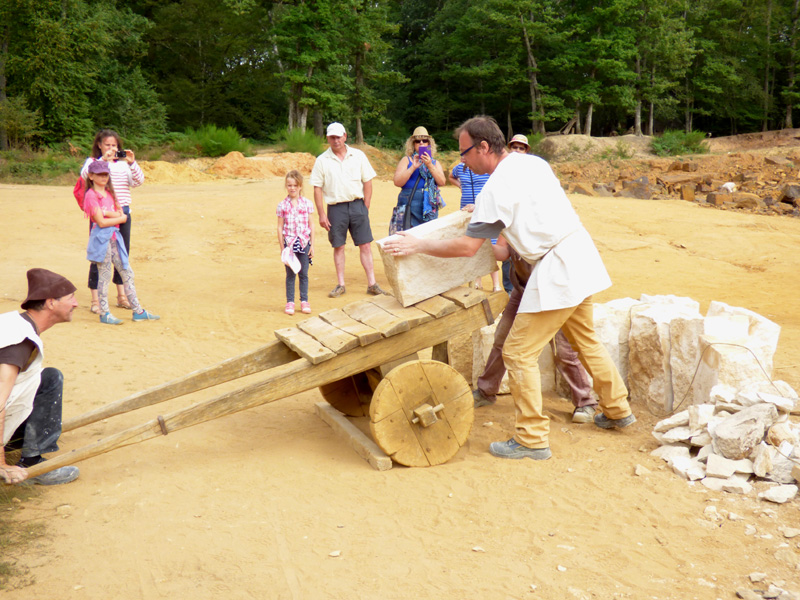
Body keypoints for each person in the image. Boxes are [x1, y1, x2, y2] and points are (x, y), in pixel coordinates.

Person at [383, 115, 635, 461]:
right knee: (585, 339)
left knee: (518, 353)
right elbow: (521, 215)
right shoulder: (532, 163)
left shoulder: (494, 189)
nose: (463, 162)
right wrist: (480, 214)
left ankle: (532, 438)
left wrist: (418, 244)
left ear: (484, 147)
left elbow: (469, 247)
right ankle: (618, 408)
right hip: (579, 254)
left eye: (466, 153)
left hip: (557, 269)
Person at [473, 237, 598, 424]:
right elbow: (503, 251)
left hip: (555, 291)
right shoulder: (511, 218)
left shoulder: (543, 220)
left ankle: (585, 402)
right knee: (502, 339)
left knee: (563, 350)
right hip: (524, 288)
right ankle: (486, 390)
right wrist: (476, 237)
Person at [1, 268, 81, 485]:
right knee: (52, 379)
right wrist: (2, 464)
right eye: (70, 298)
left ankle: (27, 445)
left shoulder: (13, 323)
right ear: (50, 303)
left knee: (47, 378)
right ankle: (32, 463)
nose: (75, 304)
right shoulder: (19, 340)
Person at [310, 122, 387, 298]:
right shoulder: (322, 160)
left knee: (365, 244)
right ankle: (341, 284)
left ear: (345, 136)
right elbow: (317, 188)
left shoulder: (358, 156)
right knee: (338, 245)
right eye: (332, 137)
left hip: (357, 205)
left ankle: (372, 283)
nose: (335, 140)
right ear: (328, 138)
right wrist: (321, 214)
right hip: (336, 208)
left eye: (338, 137)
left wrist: (365, 206)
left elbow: (368, 181)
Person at [83, 160, 159, 324]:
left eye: (105, 174)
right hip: (102, 239)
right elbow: (102, 222)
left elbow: (114, 216)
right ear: (91, 176)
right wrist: (117, 217)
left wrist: (109, 214)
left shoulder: (109, 192)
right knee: (104, 275)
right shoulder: (91, 195)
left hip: (113, 238)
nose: (104, 177)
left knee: (126, 272)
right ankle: (105, 313)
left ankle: (137, 310)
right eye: (100, 174)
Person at [80, 129, 145, 315]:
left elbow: (139, 181)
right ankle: (95, 300)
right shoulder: (93, 163)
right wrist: (103, 160)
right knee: (99, 255)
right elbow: (85, 175)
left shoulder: (123, 166)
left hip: (122, 212)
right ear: (99, 145)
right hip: (101, 213)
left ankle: (122, 295)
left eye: (114, 146)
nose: (111, 148)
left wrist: (132, 163)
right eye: (107, 145)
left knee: (122, 255)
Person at [450, 151, 502, 293]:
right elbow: (451, 177)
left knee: (490, 245)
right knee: (473, 246)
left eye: (465, 154)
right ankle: (476, 281)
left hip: (484, 210)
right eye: (461, 154)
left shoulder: (483, 168)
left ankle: (496, 283)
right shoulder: (459, 168)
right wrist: (460, 185)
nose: (463, 157)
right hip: (466, 210)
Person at [391, 126, 446, 232]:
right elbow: (397, 182)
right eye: (417, 141)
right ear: (413, 144)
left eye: (424, 140)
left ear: (429, 144)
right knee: (405, 234)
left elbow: (442, 182)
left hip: (428, 205)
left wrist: (429, 165)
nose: (421, 143)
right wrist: (413, 167)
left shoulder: (435, 163)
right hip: (408, 203)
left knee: (428, 237)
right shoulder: (406, 160)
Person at [277, 170, 315, 315]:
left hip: (304, 242)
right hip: (290, 243)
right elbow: (280, 227)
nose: (292, 188)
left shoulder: (307, 204)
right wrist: (283, 248)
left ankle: (304, 300)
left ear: (300, 186)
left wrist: (312, 245)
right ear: (286, 186)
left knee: (304, 273)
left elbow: (311, 225)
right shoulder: (282, 205)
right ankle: (290, 302)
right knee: (291, 273)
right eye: (289, 185)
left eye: (295, 185)